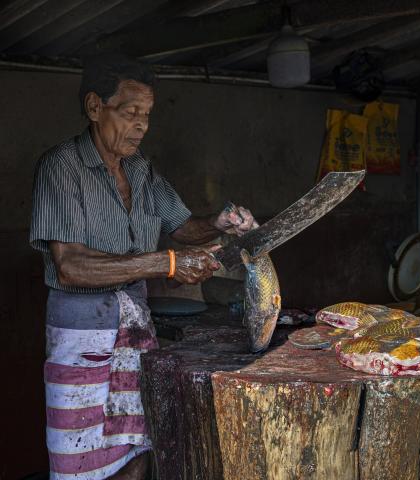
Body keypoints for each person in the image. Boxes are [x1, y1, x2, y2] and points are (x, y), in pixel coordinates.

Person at [30, 53, 256, 480]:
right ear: (95, 107)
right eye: (131, 112)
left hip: (136, 329)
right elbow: (70, 267)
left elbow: (183, 228)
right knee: (79, 459)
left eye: (147, 115)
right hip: (81, 337)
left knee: (138, 446)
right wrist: (166, 263)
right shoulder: (61, 167)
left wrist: (217, 223)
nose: (142, 125)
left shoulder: (142, 170)